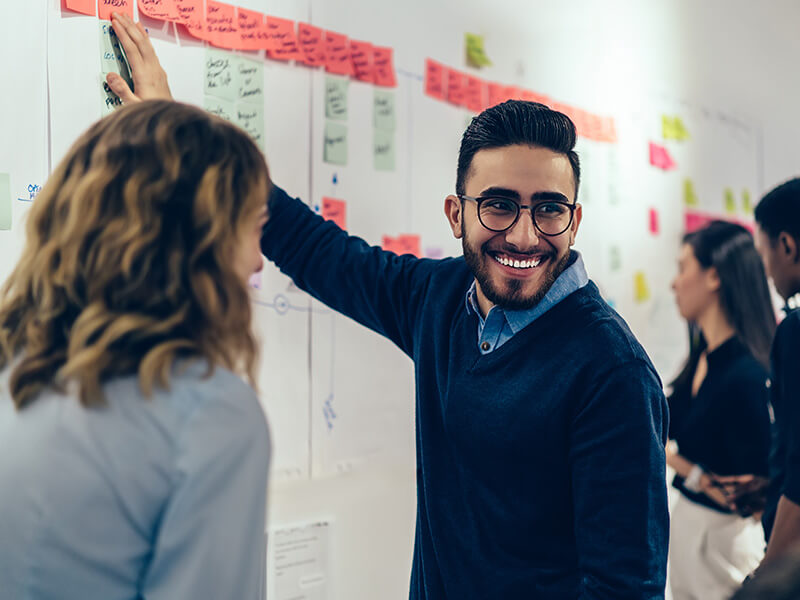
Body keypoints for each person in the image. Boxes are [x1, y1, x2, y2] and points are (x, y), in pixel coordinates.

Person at [107, 13, 670, 598]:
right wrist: (178, 132)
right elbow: (317, 249)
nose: (525, 236)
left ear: (574, 220)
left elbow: (625, 587)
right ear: (456, 215)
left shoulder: (612, 372)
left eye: (549, 209)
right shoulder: (442, 298)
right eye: (499, 205)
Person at [0, 100, 272, 599]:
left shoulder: (14, 372)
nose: (257, 260)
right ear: (197, 244)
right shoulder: (212, 416)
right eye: (254, 228)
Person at [666, 221, 775, 599]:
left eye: (683, 269)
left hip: (724, 550)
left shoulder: (747, 376)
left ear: (714, 277)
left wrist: (677, 463)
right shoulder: (700, 360)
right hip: (690, 540)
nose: (674, 283)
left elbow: (753, 496)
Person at [750, 178, 800, 567]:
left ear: (787, 245)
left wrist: (765, 580)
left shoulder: (795, 330)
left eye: (764, 252)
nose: (766, 270)